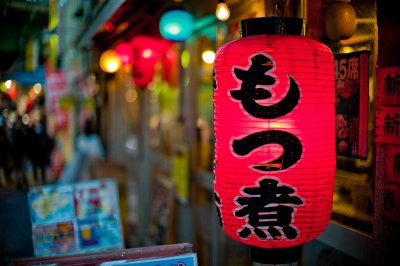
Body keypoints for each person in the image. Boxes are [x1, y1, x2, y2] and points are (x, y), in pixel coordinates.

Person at [58, 118, 105, 184]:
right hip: (79, 171)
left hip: (92, 169)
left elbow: (100, 156)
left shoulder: (95, 139)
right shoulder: (81, 139)